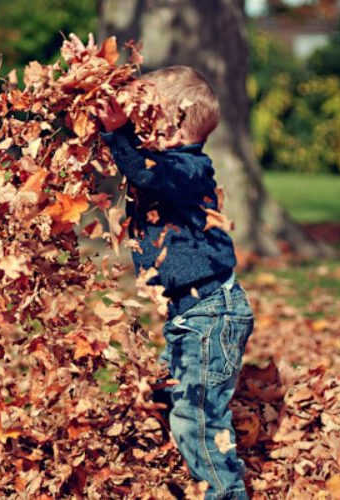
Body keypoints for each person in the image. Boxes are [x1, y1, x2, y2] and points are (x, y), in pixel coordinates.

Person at [97, 66, 255, 500]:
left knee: (198, 418)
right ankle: (176, 469)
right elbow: (141, 169)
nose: (136, 128)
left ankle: (225, 493)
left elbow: (146, 174)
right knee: (167, 397)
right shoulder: (169, 167)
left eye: (145, 119)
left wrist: (118, 136)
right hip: (191, 317)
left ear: (171, 124)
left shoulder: (187, 170)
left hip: (210, 316)